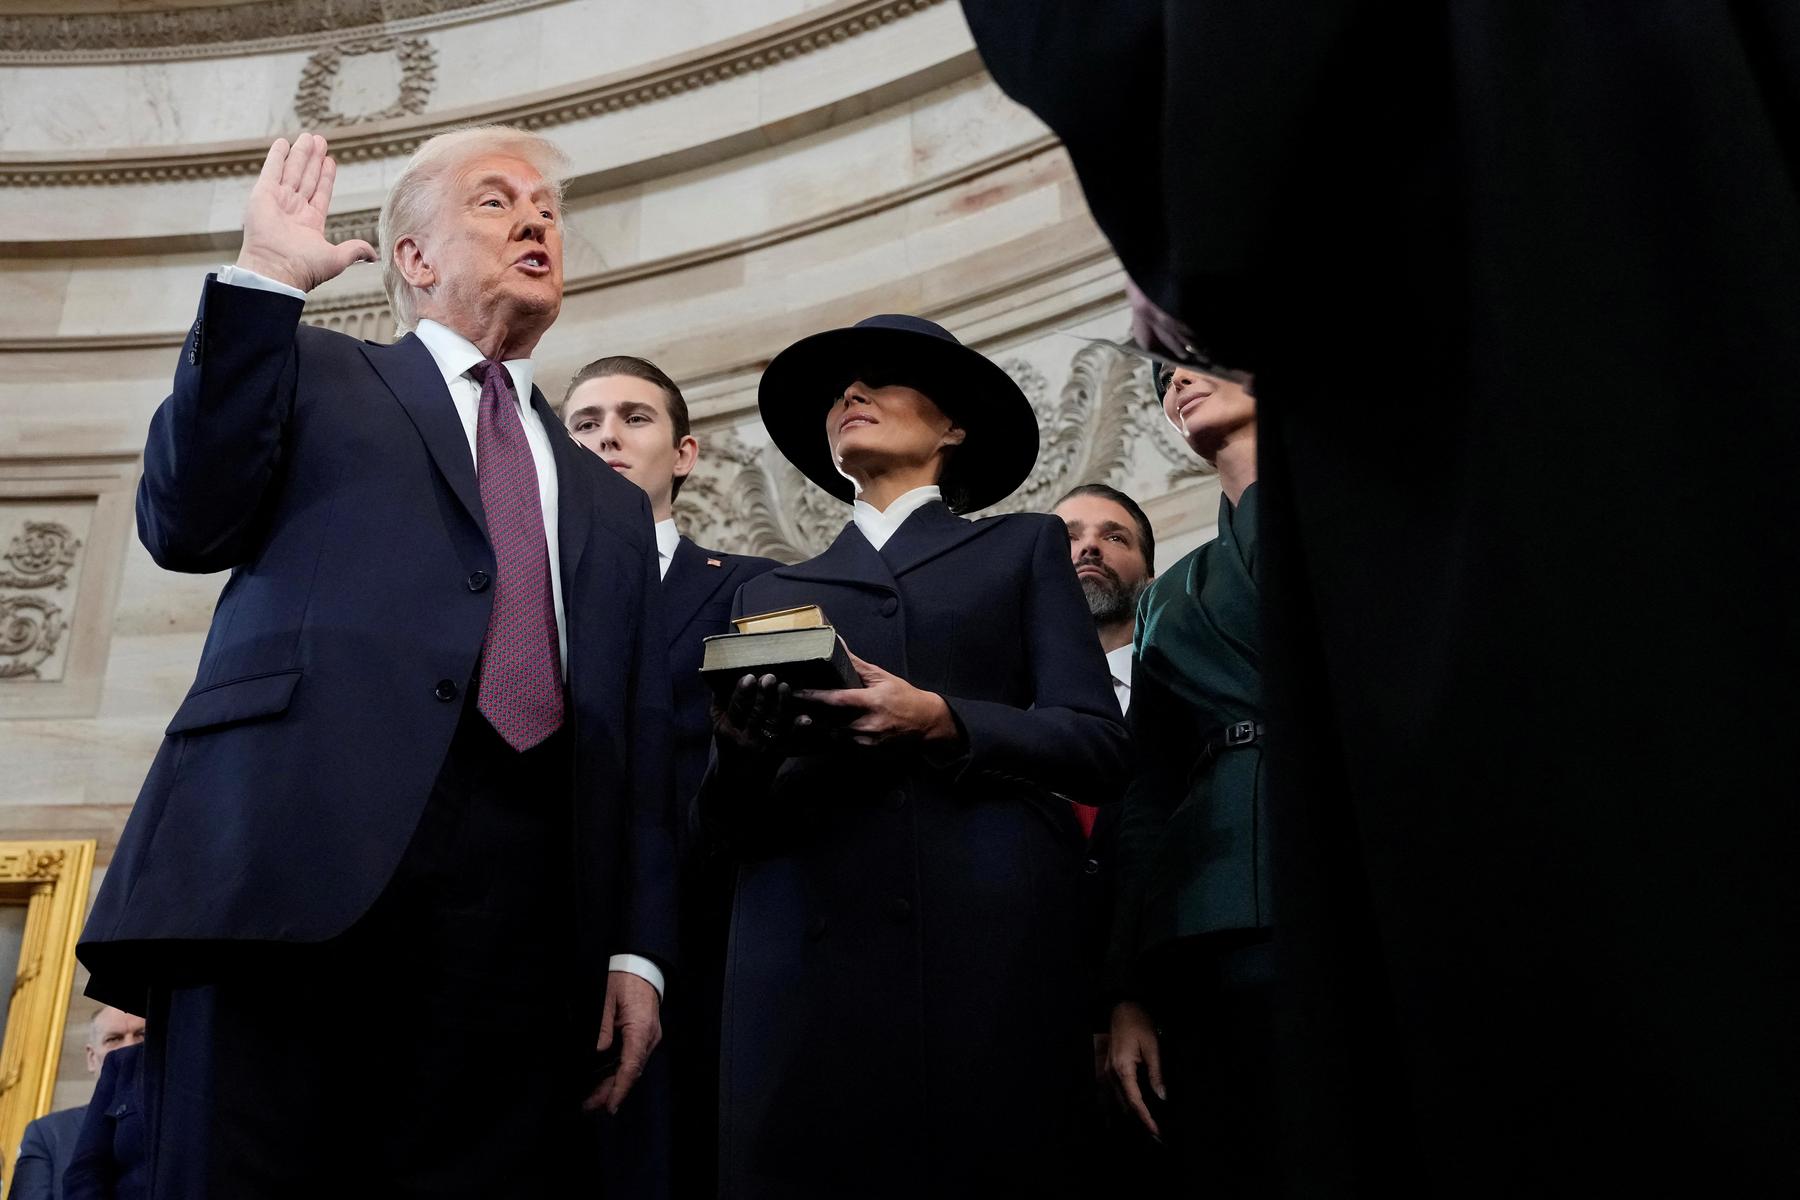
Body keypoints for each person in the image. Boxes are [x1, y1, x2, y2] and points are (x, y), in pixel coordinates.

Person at [961, 3, 1800, 1191]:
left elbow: (1210, 139)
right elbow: (1155, 773)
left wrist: (1194, 217)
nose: (1183, 375)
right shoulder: (1185, 593)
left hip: (1445, 329)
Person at [76, 127, 676, 1198]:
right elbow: (184, 518)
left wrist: (635, 952)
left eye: (545, 207)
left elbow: (631, 743)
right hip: (289, 877)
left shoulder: (614, 507)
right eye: (496, 203)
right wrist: (263, 282)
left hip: (526, 923)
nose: (536, 220)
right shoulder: (310, 368)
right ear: (414, 259)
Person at [698, 314, 1129, 1196]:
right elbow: (727, 827)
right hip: (814, 952)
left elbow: (1097, 742)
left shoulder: (1020, 546)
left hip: (982, 947)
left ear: (954, 427)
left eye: (882, 379)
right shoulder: (770, 589)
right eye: (839, 389)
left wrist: (939, 718)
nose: (849, 395)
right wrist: (740, 751)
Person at [563, 355, 780, 1198]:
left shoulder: (752, 585)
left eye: (634, 417)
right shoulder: (517, 592)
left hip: (701, 932)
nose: (608, 435)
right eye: (584, 423)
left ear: (685, 452)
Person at [1104, 365, 1269, 1189]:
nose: (1179, 382)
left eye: (1202, 361)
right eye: (1166, 377)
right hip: (1206, 908)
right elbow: (1144, 798)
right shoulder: (1169, 593)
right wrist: (1128, 989)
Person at [7, 1008, 145, 1200]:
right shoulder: (49, 1134)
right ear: (91, 1058)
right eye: (114, 1039)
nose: (129, 1047)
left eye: (142, 1035)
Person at [60, 1042, 147, 1200]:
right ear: (91, 1057)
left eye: (139, 1034)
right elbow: (86, 1174)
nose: (128, 1042)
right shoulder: (125, 1063)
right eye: (114, 1038)